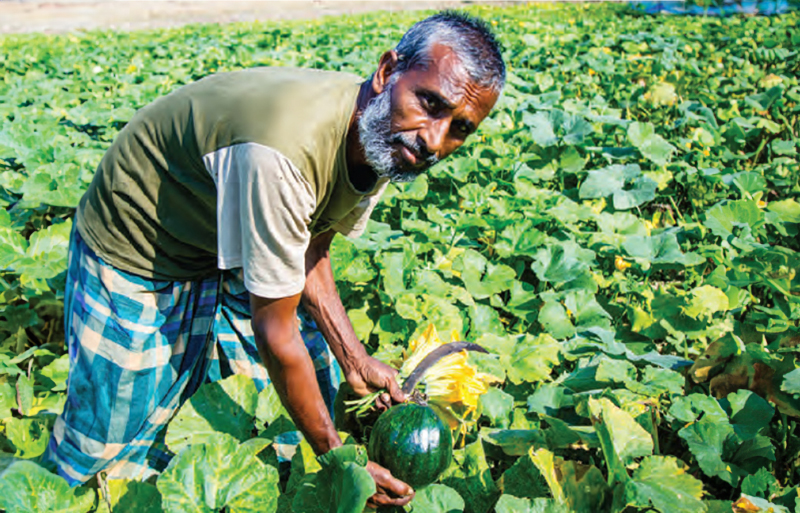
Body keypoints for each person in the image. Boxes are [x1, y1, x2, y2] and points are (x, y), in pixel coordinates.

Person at [45, 10, 505, 508]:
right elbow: (275, 332)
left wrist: (354, 358)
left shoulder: (381, 134)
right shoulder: (288, 150)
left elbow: (313, 239)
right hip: (140, 239)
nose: (435, 140)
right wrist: (339, 457)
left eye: (460, 127)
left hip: (226, 231)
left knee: (279, 394)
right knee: (109, 432)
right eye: (430, 103)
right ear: (387, 71)